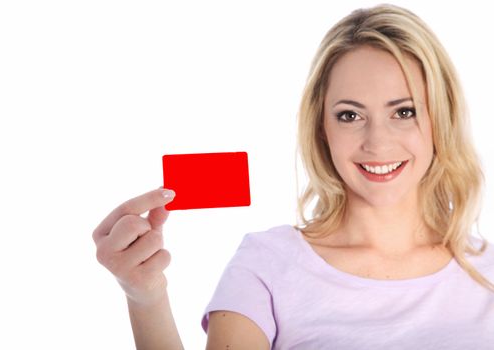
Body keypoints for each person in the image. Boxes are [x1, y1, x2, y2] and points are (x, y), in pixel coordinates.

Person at [92, 3, 494, 349]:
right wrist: (146, 297)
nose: (377, 141)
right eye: (350, 115)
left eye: (403, 111)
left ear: (443, 116)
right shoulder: (266, 265)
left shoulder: (488, 272)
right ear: (322, 127)